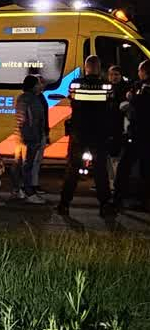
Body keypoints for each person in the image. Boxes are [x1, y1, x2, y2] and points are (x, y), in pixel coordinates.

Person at [57, 55, 114, 217]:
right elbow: (110, 103)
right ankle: (104, 205)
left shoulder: (76, 84)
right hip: (99, 133)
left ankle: (64, 204)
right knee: (100, 170)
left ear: (86, 67)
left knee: (72, 169)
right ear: (98, 68)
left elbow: (72, 99)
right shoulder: (106, 85)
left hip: (79, 131)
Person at [113, 60, 150, 211]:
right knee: (145, 168)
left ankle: (118, 198)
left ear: (144, 71)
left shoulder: (145, 87)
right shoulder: (141, 86)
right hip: (143, 133)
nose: (138, 73)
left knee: (125, 166)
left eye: (139, 70)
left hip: (140, 133)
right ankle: (144, 200)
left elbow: (142, 104)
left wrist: (131, 98)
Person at [15, 75, 48, 204]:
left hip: (23, 136)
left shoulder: (22, 98)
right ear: (33, 86)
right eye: (38, 84)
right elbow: (34, 120)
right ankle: (29, 193)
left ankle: (19, 190)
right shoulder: (32, 100)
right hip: (31, 137)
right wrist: (37, 137)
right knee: (28, 165)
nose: (40, 86)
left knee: (21, 165)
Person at [106, 65, 130, 189]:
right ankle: (110, 182)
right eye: (111, 74)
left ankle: (116, 183)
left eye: (116, 74)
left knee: (116, 156)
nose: (114, 77)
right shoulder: (106, 88)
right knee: (108, 157)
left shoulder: (125, 89)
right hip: (107, 127)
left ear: (121, 76)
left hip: (119, 127)